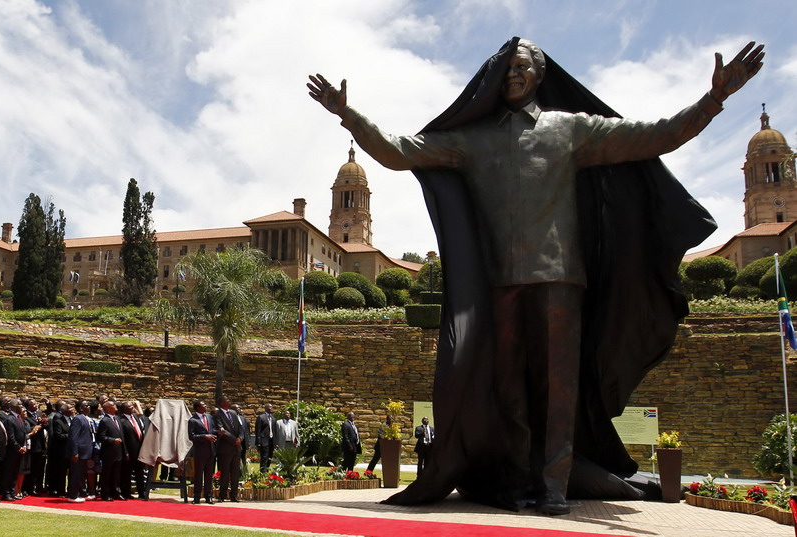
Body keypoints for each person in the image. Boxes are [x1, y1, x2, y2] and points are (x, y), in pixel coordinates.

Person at [309, 38, 763, 515]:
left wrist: (714, 99)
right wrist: (348, 114)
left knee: (559, 387)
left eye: (521, 68)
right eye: (505, 71)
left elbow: (655, 135)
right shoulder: (473, 140)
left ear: (540, 74)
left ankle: (553, 487)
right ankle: (516, 477)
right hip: (500, 284)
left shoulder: (570, 130)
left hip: (560, 279)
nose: (513, 76)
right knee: (508, 386)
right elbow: (398, 151)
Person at [211, 395, 242, 502]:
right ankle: (222, 495)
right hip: (225, 447)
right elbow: (222, 430)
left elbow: (240, 428)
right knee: (224, 473)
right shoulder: (217, 415)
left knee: (235, 473)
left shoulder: (233, 413)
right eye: (227, 400)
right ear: (221, 403)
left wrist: (240, 438)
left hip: (236, 448)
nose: (229, 401)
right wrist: (234, 440)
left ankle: (234, 495)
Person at [187, 400, 217, 505]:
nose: (206, 406)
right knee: (198, 475)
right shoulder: (192, 420)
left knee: (209, 476)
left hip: (210, 451)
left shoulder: (209, 417)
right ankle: (197, 497)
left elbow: (212, 430)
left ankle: (209, 497)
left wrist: (217, 433)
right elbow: (191, 436)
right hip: (200, 452)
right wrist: (205, 437)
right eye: (204, 405)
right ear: (198, 408)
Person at [96, 401, 126, 501]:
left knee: (116, 474)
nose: (116, 406)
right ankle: (105, 493)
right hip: (109, 452)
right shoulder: (104, 421)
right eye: (113, 405)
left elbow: (122, 436)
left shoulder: (117, 418)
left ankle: (116, 492)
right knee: (107, 474)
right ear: (108, 409)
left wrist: (125, 451)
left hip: (119, 452)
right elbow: (100, 437)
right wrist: (113, 440)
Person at [118, 401, 147, 500]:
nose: (133, 408)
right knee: (127, 473)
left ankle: (142, 492)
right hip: (130, 451)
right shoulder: (121, 421)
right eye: (130, 406)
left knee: (140, 472)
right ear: (125, 409)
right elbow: (123, 438)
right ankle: (126, 492)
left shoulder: (135, 417)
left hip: (140, 450)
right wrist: (125, 451)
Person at [66, 400, 93, 503]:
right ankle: (72, 495)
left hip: (85, 452)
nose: (89, 407)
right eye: (86, 405)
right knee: (75, 474)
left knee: (81, 474)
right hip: (79, 452)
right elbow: (73, 437)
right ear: (81, 408)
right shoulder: (78, 419)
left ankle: (80, 492)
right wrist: (75, 452)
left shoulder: (85, 419)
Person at [47, 402, 72, 497]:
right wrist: (72, 436)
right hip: (61, 451)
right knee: (60, 472)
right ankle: (59, 490)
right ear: (64, 411)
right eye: (70, 408)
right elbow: (58, 436)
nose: (72, 409)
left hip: (70, 450)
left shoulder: (72, 420)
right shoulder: (58, 421)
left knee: (70, 472)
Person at [254, 403, 276, 472]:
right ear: (266, 408)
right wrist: (258, 442)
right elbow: (258, 430)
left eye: (272, 407)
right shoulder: (261, 417)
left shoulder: (273, 418)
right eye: (269, 407)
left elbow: (275, 431)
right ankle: (262, 472)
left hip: (271, 440)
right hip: (264, 441)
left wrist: (275, 442)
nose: (271, 408)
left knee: (269, 457)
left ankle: (267, 470)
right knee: (264, 457)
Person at [231, 404, 250, 468]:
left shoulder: (242, 418)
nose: (239, 409)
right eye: (237, 408)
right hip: (236, 441)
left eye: (239, 408)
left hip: (243, 442)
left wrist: (248, 442)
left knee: (243, 457)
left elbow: (246, 431)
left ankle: (244, 472)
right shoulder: (231, 418)